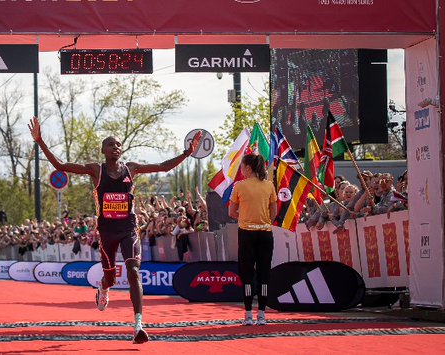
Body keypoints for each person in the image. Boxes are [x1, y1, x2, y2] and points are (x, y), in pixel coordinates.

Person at [29, 116, 201, 344]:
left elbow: (163, 166)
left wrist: (187, 153)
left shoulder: (131, 169)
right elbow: (61, 166)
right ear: (103, 150)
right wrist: (40, 141)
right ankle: (103, 287)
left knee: (133, 272)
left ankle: (138, 325)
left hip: (128, 228)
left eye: (119, 145)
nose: (116, 148)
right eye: (111, 144)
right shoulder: (95, 170)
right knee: (110, 278)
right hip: (107, 232)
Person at [228, 154, 278, 326]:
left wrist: (244, 218)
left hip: (246, 234)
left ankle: (248, 314)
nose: (241, 170)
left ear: (248, 168)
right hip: (265, 233)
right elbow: (274, 212)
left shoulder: (239, 186)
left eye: (242, 167)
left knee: (247, 274)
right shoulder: (269, 185)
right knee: (264, 274)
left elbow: (231, 212)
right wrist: (262, 221)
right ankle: (262, 315)